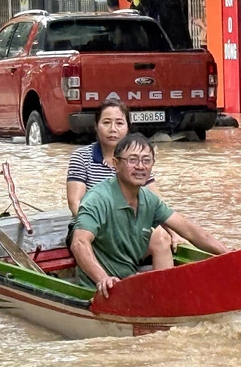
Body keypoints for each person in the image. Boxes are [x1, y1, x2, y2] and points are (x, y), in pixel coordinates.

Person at [71, 133, 231, 298]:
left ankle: (166, 296)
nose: (140, 166)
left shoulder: (149, 199)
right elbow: (79, 243)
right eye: (132, 160)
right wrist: (102, 279)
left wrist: (228, 254)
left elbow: (190, 231)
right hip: (100, 289)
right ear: (116, 164)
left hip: (128, 281)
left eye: (146, 160)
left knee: (162, 239)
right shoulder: (97, 199)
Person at [66, 100, 175, 253]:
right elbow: (75, 203)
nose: (113, 129)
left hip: (129, 229)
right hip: (90, 229)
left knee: (161, 237)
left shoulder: (137, 159)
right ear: (96, 126)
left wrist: (174, 233)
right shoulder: (82, 157)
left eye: (119, 123)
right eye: (106, 123)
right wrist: (105, 229)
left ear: (127, 128)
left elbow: (156, 203)